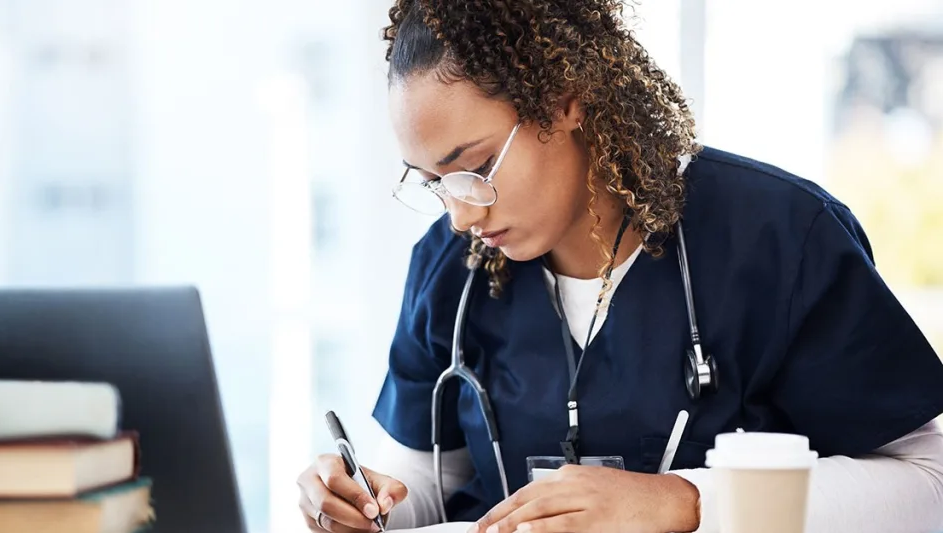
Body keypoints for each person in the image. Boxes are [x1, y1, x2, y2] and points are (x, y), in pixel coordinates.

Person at [296, 1, 943, 532]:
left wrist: (684, 502)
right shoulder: (450, 267)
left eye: (476, 168)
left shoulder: (778, 240)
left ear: (568, 99)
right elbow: (418, 495)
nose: (462, 216)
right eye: (437, 181)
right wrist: (357, 504)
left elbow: (929, 485)